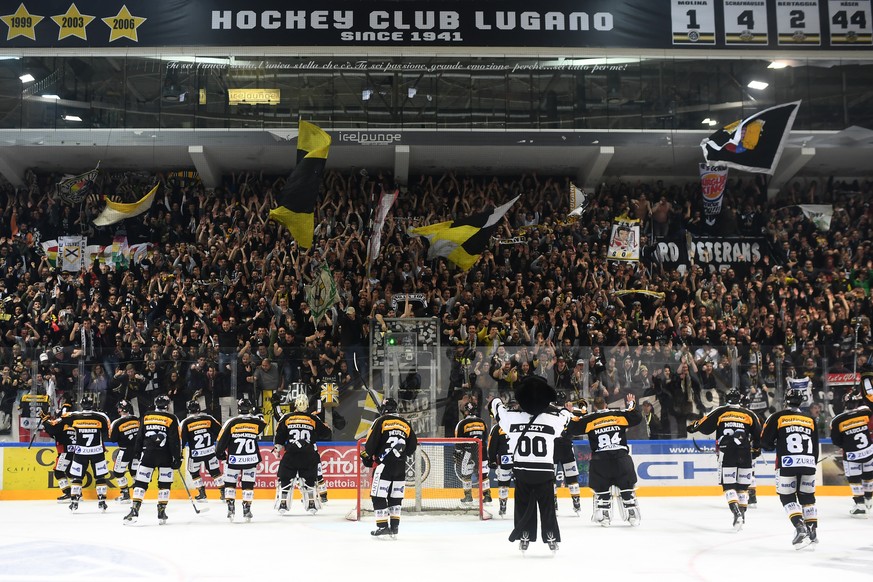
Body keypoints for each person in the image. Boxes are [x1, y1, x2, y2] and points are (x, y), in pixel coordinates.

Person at [489, 375, 568, 552]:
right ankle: (551, 536)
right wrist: (559, 408)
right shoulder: (553, 420)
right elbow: (566, 416)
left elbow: (496, 409)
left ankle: (524, 534)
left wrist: (496, 401)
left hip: (522, 471)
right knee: (547, 506)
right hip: (545, 471)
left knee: (523, 504)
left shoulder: (511, 419)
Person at [687, 388, 762, 531]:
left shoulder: (721, 411)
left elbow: (703, 424)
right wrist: (756, 450)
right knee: (742, 487)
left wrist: (692, 427)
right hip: (745, 453)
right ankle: (743, 516)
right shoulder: (749, 414)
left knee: (729, 486)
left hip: (726, 452)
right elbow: (759, 434)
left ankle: (736, 513)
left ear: (726, 398)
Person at [569, 393, 642, 527]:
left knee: (602, 492)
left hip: (600, 460)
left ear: (594, 407)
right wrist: (631, 403)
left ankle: (604, 517)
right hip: (621, 458)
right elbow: (637, 418)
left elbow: (572, 429)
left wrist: (580, 412)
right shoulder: (618, 415)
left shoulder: (589, 419)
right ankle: (632, 515)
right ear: (606, 405)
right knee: (626, 490)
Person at [761, 384, 820, 549]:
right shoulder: (810, 420)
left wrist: (774, 444)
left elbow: (765, 442)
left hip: (787, 463)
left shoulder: (778, 417)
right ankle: (812, 531)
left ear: (786, 400)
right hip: (808, 463)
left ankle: (799, 526)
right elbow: (815, 446)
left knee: (787, 497)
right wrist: (811, 462)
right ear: (801, 401)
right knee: (808, 498)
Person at [361, 397, 418, 538]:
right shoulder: (405, 423)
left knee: (377, 495)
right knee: (395, 497)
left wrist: (368, 455)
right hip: (400, 466)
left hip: (384, 465)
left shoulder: (380, 421)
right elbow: (412, 446)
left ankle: (382, 527)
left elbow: (370, 444)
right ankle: (394, 527)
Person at [123, 395, 182, 525]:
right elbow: (175, 440)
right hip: (165, 456)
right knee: (165, 484)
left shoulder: (147, 416)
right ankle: (161, 511)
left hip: (148, 454)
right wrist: (177, 457)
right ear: (167, 405)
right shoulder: (172, 418)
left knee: (141, 483)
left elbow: (140, 435)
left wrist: (137, 452)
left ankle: (134, 510)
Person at [273, 393, 331, 514]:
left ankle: (283, 503)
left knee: (285, 479)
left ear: (295, 404)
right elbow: (326, 433)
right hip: (309, 453)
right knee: (310, 479)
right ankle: (311, 503)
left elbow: (279, 435)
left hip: (291, 453)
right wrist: (326, 428)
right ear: (307, 406)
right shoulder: (313, 418)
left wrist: (277, 447)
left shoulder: (287, 417)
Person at [216, 398, 266, 522]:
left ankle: (230, 506)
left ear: (238, 409)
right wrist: (257, 414)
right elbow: (263, 424)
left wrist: (219, 453)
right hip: (251, 459)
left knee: (230, 483)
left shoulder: (232, 422)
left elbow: (221, 440)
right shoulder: (256, 422)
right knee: (248, 484)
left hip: (234, 459)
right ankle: (247, 508)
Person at [829, 389, 873, 517]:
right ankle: (869, 500)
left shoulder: (837, 420)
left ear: (845, 403)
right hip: (868, 452)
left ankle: (860, 504)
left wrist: (844, 445)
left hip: (852, 454)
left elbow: (836, 440)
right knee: (868, 476)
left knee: (854, 479)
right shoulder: (865, 412)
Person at [63, 395, 111, 512]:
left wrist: (66, 404)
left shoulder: (75, 416)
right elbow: (108, 430)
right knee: (100, 477)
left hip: (80, 452)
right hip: (97, 452)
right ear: (93, 405)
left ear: (81, 405)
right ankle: (102, 501)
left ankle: (74, 501)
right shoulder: (101, 417)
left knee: (77, 477)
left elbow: (63, 416)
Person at [180, 399, 223, 502]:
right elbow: (221, 432)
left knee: (193, 472)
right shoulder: (208, 418)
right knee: (215, 472)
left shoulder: (185, 422)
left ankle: (201, 493)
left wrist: (179, 453)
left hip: (195, 454)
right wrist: (221, 447)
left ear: (189, 410)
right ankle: (223, 492)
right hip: (210, 451)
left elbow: (181, 440)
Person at [454, 401, 492, 504]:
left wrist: (457, 454)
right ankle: (487, 495)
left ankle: (468, 496)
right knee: (483, 474)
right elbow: (485, 438)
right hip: (482, 452)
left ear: (465, 412)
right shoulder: (482, 422)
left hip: (468, 452)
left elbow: (458, 441)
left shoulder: (461, 423)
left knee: (466, 475)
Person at [554, 395, 586, 515]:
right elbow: (583, 414)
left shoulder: (551, 413)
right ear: (566, 404)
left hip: (553, 447)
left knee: (551, 478)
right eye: (571, 405)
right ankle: (576, 503)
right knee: (572, 477)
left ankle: (553, 504)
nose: (572, 407)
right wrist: (582, 405)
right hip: (566, 446)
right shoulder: (569, 414)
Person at [39, 402, 75, 503]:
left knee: (58, 471)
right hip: (76, 452)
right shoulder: (75, 421)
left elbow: (52, 429)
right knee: (70, 471)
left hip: (65, 452)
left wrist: (44, 418)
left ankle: (68, 492)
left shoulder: (62, 421)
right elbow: (55, 433)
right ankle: (76, 493)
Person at [108, 399, 141, 503]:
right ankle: (138, 496)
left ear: (120, 410)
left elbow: (112, 439)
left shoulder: (116, 423)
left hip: (124, 451)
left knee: (118, 473)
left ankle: (125, 494)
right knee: (134, 472)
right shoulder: (136, 419)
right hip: (137, 451)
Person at [487, 402, 514, 517]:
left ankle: (503, 505)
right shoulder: (519, 424)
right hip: (518, 458)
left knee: (503, 484)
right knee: (523, 484)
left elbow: (492, 446)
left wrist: (492, 460)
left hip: (505, 459)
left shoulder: (497, 428)